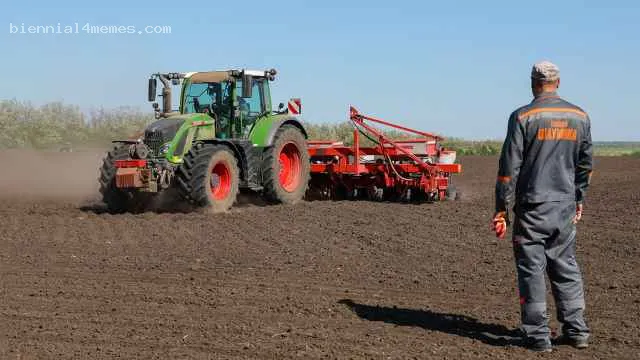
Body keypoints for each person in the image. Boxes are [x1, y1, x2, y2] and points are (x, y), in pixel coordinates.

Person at [491, 60, 593, 352]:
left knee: (532, 269)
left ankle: (538, 335)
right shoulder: (580, 116)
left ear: (533, 83)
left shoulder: (523, 117)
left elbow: (508, 169)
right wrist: (578, 198)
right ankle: (577, 330)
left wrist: (501, 208)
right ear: (558, 83)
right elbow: (585, 165)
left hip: (532, 207)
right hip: (563, 206)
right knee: (566, 266)